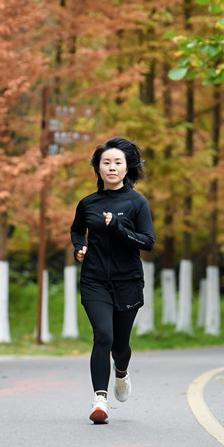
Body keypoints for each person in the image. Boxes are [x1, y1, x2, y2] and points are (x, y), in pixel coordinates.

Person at [70, 137, 154, 424]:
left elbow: (147, 242)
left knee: (120, 346)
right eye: (106, 162)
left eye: (117, 162)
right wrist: (79, 247)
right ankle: (100, 400)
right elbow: (77, 230)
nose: (112, 167)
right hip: (94, 280)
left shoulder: (137, 202)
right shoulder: (88, 203)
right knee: (102, 335)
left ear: (127, 166)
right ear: (98, 167)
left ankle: (121, 371)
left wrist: (118, 226)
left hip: (128, 280)